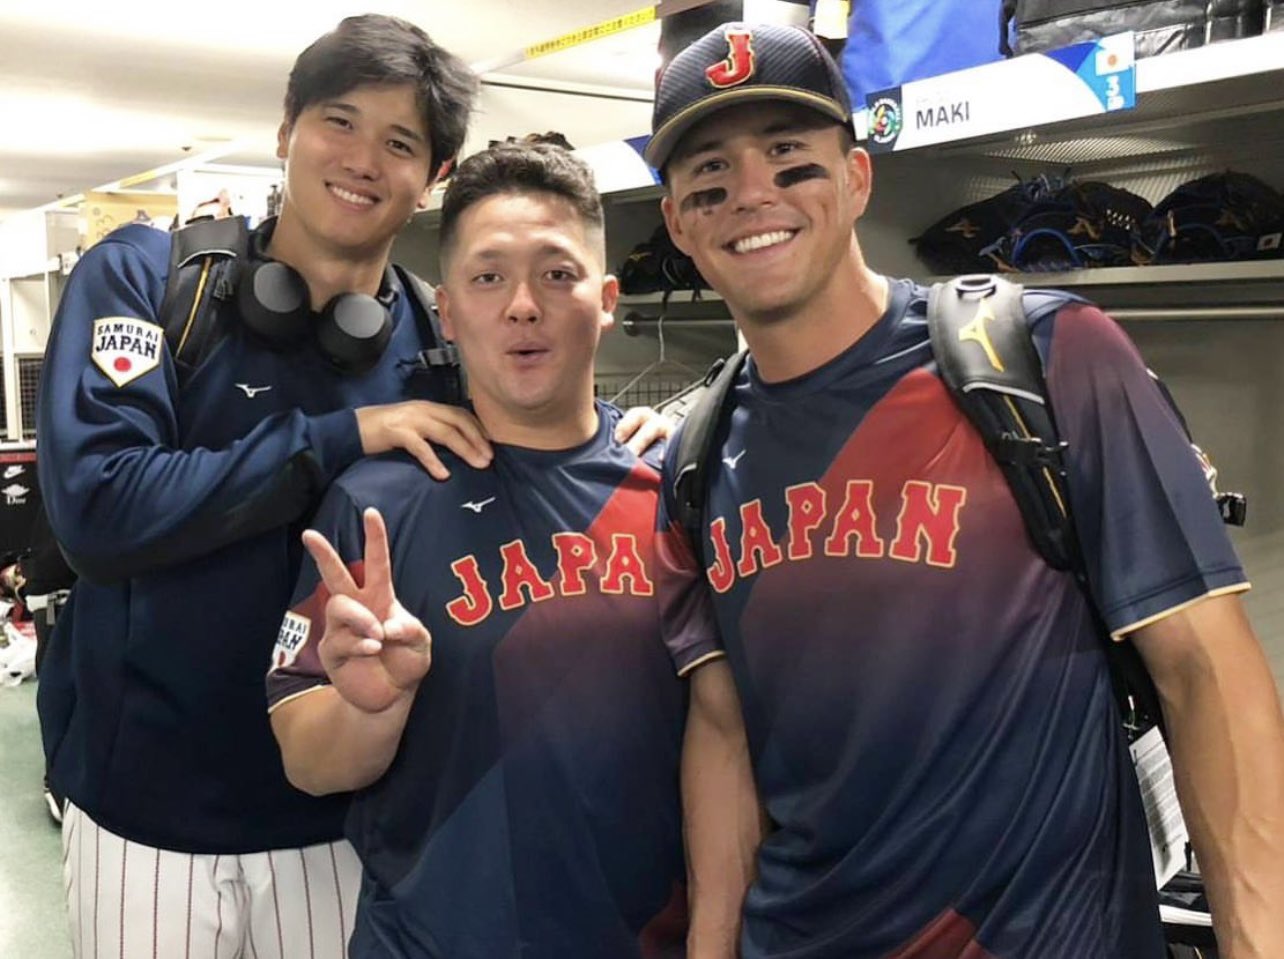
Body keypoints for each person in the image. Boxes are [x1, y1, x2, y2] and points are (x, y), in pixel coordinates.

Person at [645, 21, 1284, 959]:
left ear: (858, 179)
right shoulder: (696, 454)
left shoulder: (1048, 356)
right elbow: (723, 730)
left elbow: (1205, 671)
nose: (752, 196)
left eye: (792, 161)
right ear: (677, 222)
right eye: (710, 177)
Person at [35, 16, 667, 959]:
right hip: (146, 813)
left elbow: (533, 415)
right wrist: (340, 435)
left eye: (401, 142)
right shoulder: (152, 281)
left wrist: (630, 437)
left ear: (435, 175)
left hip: (336, 815)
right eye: (340, 121)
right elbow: (98, 509)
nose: (363, 159)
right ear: (287, 128)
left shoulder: (431, 343)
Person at [267, 142, 694, 958]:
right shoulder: (380, 500)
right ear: (450, 310)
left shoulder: (680, 488)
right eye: (489, 276)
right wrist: (372, 705)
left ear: (607, 300)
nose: (523, 306)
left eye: (557, 275)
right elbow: (308, 762)